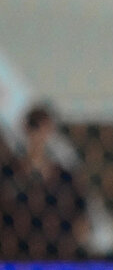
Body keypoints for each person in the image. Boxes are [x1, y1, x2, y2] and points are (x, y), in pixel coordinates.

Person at [0, 104, 90, 259]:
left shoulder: (65, 178)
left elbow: (82, 221)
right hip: (13, 259)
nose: (39, 134)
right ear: (26, 129)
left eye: (44, 128)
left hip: (55, 258)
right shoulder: (7, 175)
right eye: (35, 126)